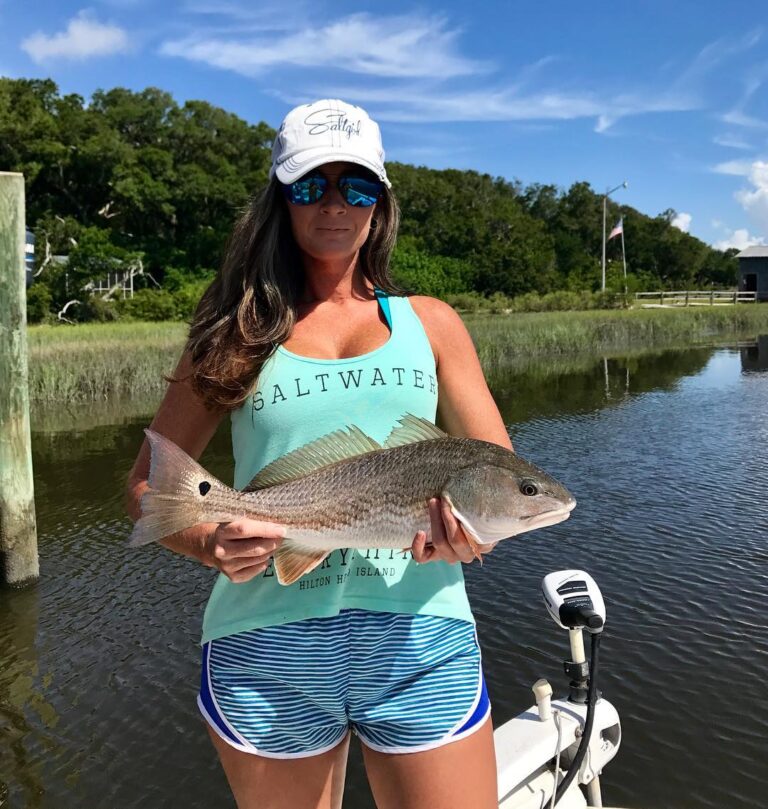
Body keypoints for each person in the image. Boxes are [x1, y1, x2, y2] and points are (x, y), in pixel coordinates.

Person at [126, 98, 512, 809]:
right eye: (311, 185)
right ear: (282, 198)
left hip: (421, 635)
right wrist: (212, 542)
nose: (335, 204)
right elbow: (151, 487)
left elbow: (498, 475)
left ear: (381, 203)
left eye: (356, 186)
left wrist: (469, 534)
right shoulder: (236, 329)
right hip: (267, 641)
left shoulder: (432, 323)